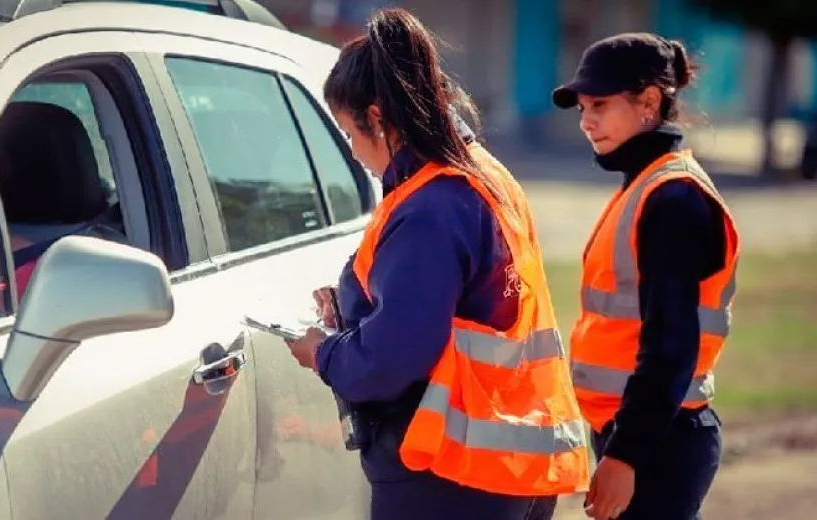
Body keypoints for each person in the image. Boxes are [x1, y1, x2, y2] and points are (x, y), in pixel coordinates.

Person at [285, 8, 590, 520]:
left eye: (350, 134)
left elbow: (390, 360)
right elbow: (465, 306)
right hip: (512, 461)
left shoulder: (431, 206)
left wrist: (323, 352)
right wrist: (351, 306)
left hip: (450, 474)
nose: (354, 153)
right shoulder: (482, 175)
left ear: (377, 118)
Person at [551, 33, 740, 520]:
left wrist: (626, 455)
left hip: (660, 442)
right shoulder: (648, 186)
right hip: (646, 433)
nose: (586, 121)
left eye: (600, 104)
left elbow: (670, 347)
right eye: (582, 108)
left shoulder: (673, 199)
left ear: (649, 103)